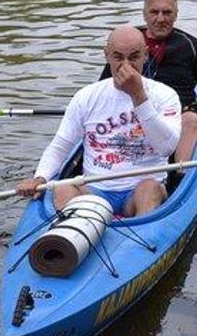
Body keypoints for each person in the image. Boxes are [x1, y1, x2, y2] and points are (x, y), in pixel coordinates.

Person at [16, 25, 182, 217]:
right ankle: (78, 230)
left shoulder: (165, 95)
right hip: (95, 191)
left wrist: (138, 96)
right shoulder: (86, 96)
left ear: (145, 55)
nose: (126, 66)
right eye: (118, 57)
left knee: (150, 189)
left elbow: (167, 148)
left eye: (134, 57)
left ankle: (139, 235)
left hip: (139, 192)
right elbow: (61, 145)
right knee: (63, 188)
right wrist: (40, 177)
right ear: (107, 56)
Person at [100, 0, 197, 162]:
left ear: (176, 14)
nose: (161, 19)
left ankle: (180, 175)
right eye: (154, 12)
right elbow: (101, 88)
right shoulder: (126, 43)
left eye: (167, 12)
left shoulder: (191, 46)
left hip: (176, 120)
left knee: (191, 119)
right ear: (144, 14)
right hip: (129, 117)